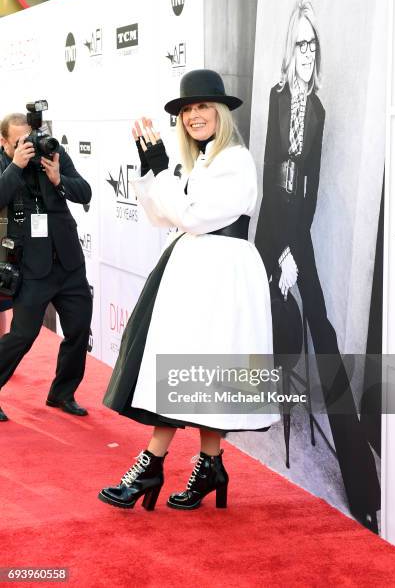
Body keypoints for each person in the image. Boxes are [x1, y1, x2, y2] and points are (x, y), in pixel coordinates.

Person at [99, 69, 277, 511]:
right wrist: (152, 171)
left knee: (193, 369)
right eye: (186, 109)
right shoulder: (201, 160)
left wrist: (162, 172)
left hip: (220, 275)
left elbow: (194, 218)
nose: (193, 116)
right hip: (196, 271)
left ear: (220, 112)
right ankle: (210, 465)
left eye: (201, 107)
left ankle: (151, 463)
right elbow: (164, 216)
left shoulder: (234, 159)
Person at [255, 0, 381, 531]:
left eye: (313, 44)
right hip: (270, 232)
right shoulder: (277, 98)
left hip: (297, 230)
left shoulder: (321, 110)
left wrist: (294, 254)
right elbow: (271, 179)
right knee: (283, 322)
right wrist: (278, 255)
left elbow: (309, 191)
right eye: (299, 43)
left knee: (323, 330)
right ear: (290, 49)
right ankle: (271, 412)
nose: (306, 53)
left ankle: (362, 484)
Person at [0, 113, 93, 422]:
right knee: (22, 335)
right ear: (4, 142)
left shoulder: (52, 152)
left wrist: (58, 179)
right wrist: (17, 165)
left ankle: (62, 393)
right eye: (20, 142)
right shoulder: (5, 164)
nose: (30, 146)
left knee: (79, 329)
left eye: (31, 138)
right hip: (30, 267)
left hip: (68, 263)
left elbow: (85, 191)